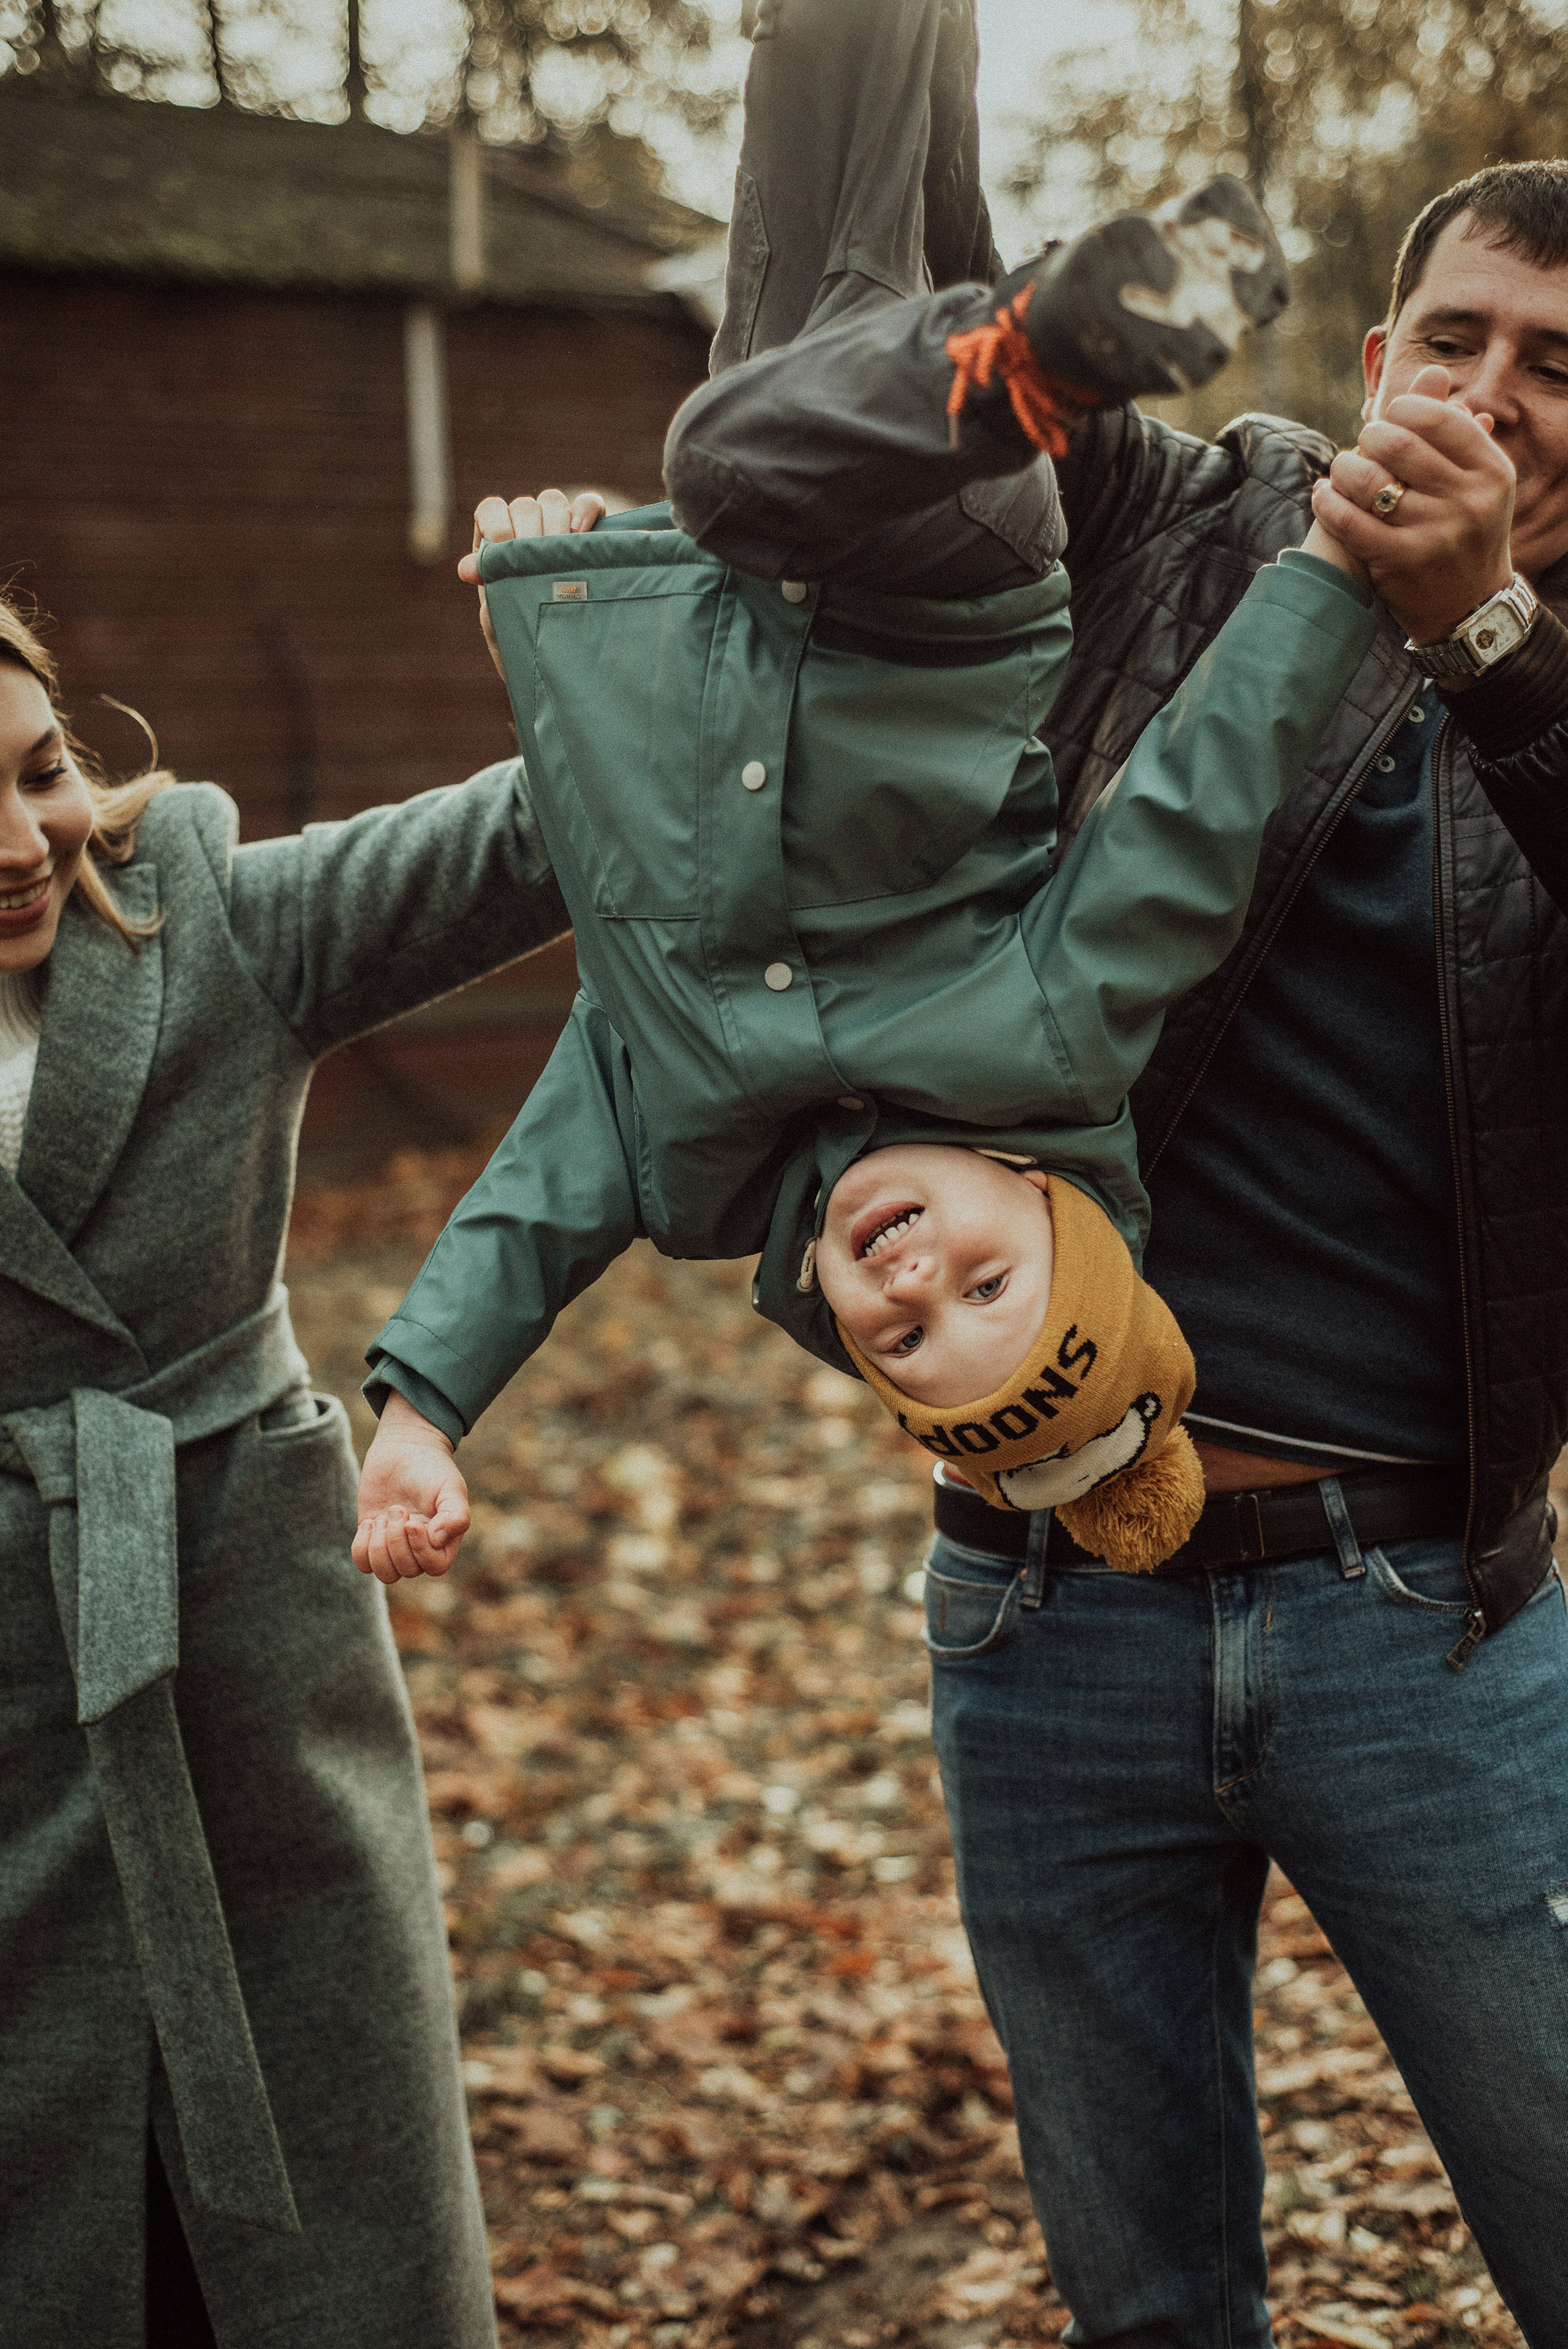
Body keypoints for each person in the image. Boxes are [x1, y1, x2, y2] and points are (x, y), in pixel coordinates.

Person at [673, 97, 1568, 2349]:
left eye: (1557, 359)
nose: (1485, 387)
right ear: (1375, 349)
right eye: (1451, 332)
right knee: (1147, 2300)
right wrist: (1021, 299)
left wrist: (1493, 641)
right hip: (1046, 1607)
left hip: (1427, 1622)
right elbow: (832, 441)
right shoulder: (1187, 523)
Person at [350, 1, 1379, 1588]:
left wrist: (422, 1408)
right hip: (940, 587)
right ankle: (1035, 363)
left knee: (826, 147)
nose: (922, 1278)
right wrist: (1326, 573)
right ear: (1045, 1202)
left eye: (906, 1330)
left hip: (764, 571)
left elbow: (544, 1192)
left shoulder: (695, 1151)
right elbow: (1197, 803)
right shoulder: (1037, 1039)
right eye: (991, 1281)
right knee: (729, 453)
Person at [0, 589, 574, 2348]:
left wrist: (581, 636)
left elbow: (532, 835)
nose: (26, 841)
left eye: (42, 774)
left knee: (331, 2222)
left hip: (243, 1645)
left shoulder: (207, 915)